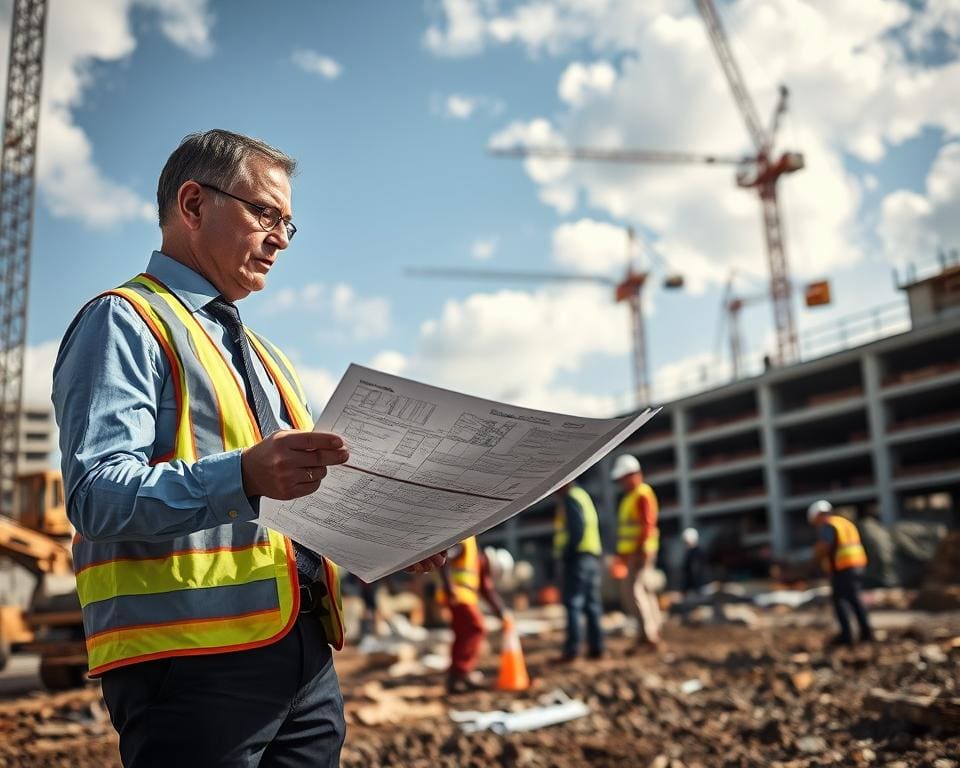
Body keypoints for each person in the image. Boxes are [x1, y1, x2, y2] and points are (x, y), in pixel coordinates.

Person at [52, 129, 444, 767]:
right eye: (265, 213)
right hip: (190, 663)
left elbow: (307, 500)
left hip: (303, 653)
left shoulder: (268, 359)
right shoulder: (124, 321)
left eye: (289, 223)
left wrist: (394, 540)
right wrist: (244, 475)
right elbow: (96, 493)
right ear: (194, 204)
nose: (281, 240)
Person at [437, 535, 506, 692]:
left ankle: (455, 677)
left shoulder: (475, 554)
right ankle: (462, 672)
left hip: (461, 596)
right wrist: (448, 587)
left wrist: (501, 612)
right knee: (477, 627)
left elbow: (486, 589)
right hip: (459, 596)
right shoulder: (466, 541)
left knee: (462, 634)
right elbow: (444, 559)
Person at [610, 454, 663, 649]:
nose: (622, 482)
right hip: (633, 552)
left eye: (624, 477)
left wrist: (639, 551)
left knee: (635, 591)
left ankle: (647, 634)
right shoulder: (630, 497)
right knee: (645, 590)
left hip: (639, 552)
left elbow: (647, 525)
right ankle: (653, 629)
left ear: (633, 474)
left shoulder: (641, 494)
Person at [808, 500, 874, 647]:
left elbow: (824, 546)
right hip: (857, 565)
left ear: (818, 515)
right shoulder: (844, 523)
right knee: (855, 599)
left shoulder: (828, 526)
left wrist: (814, 563)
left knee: (840, 600)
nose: (816, 525)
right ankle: (866, 633)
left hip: (843, 568)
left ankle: (847, 635)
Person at [553, 482, 604, 661]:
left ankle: (572, 650)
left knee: (573, 603)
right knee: (592, 605)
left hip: (578, 558)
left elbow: (577, 529)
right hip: (592, 557)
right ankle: (597, 648)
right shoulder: (583, 495)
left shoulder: (571, 498)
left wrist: (567, 554)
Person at [681, 527, 707, 597]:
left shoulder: (694, 554)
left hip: (697, 588)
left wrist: (686, 589)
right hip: (698, 587)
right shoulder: (698, 552)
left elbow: (694, 572)